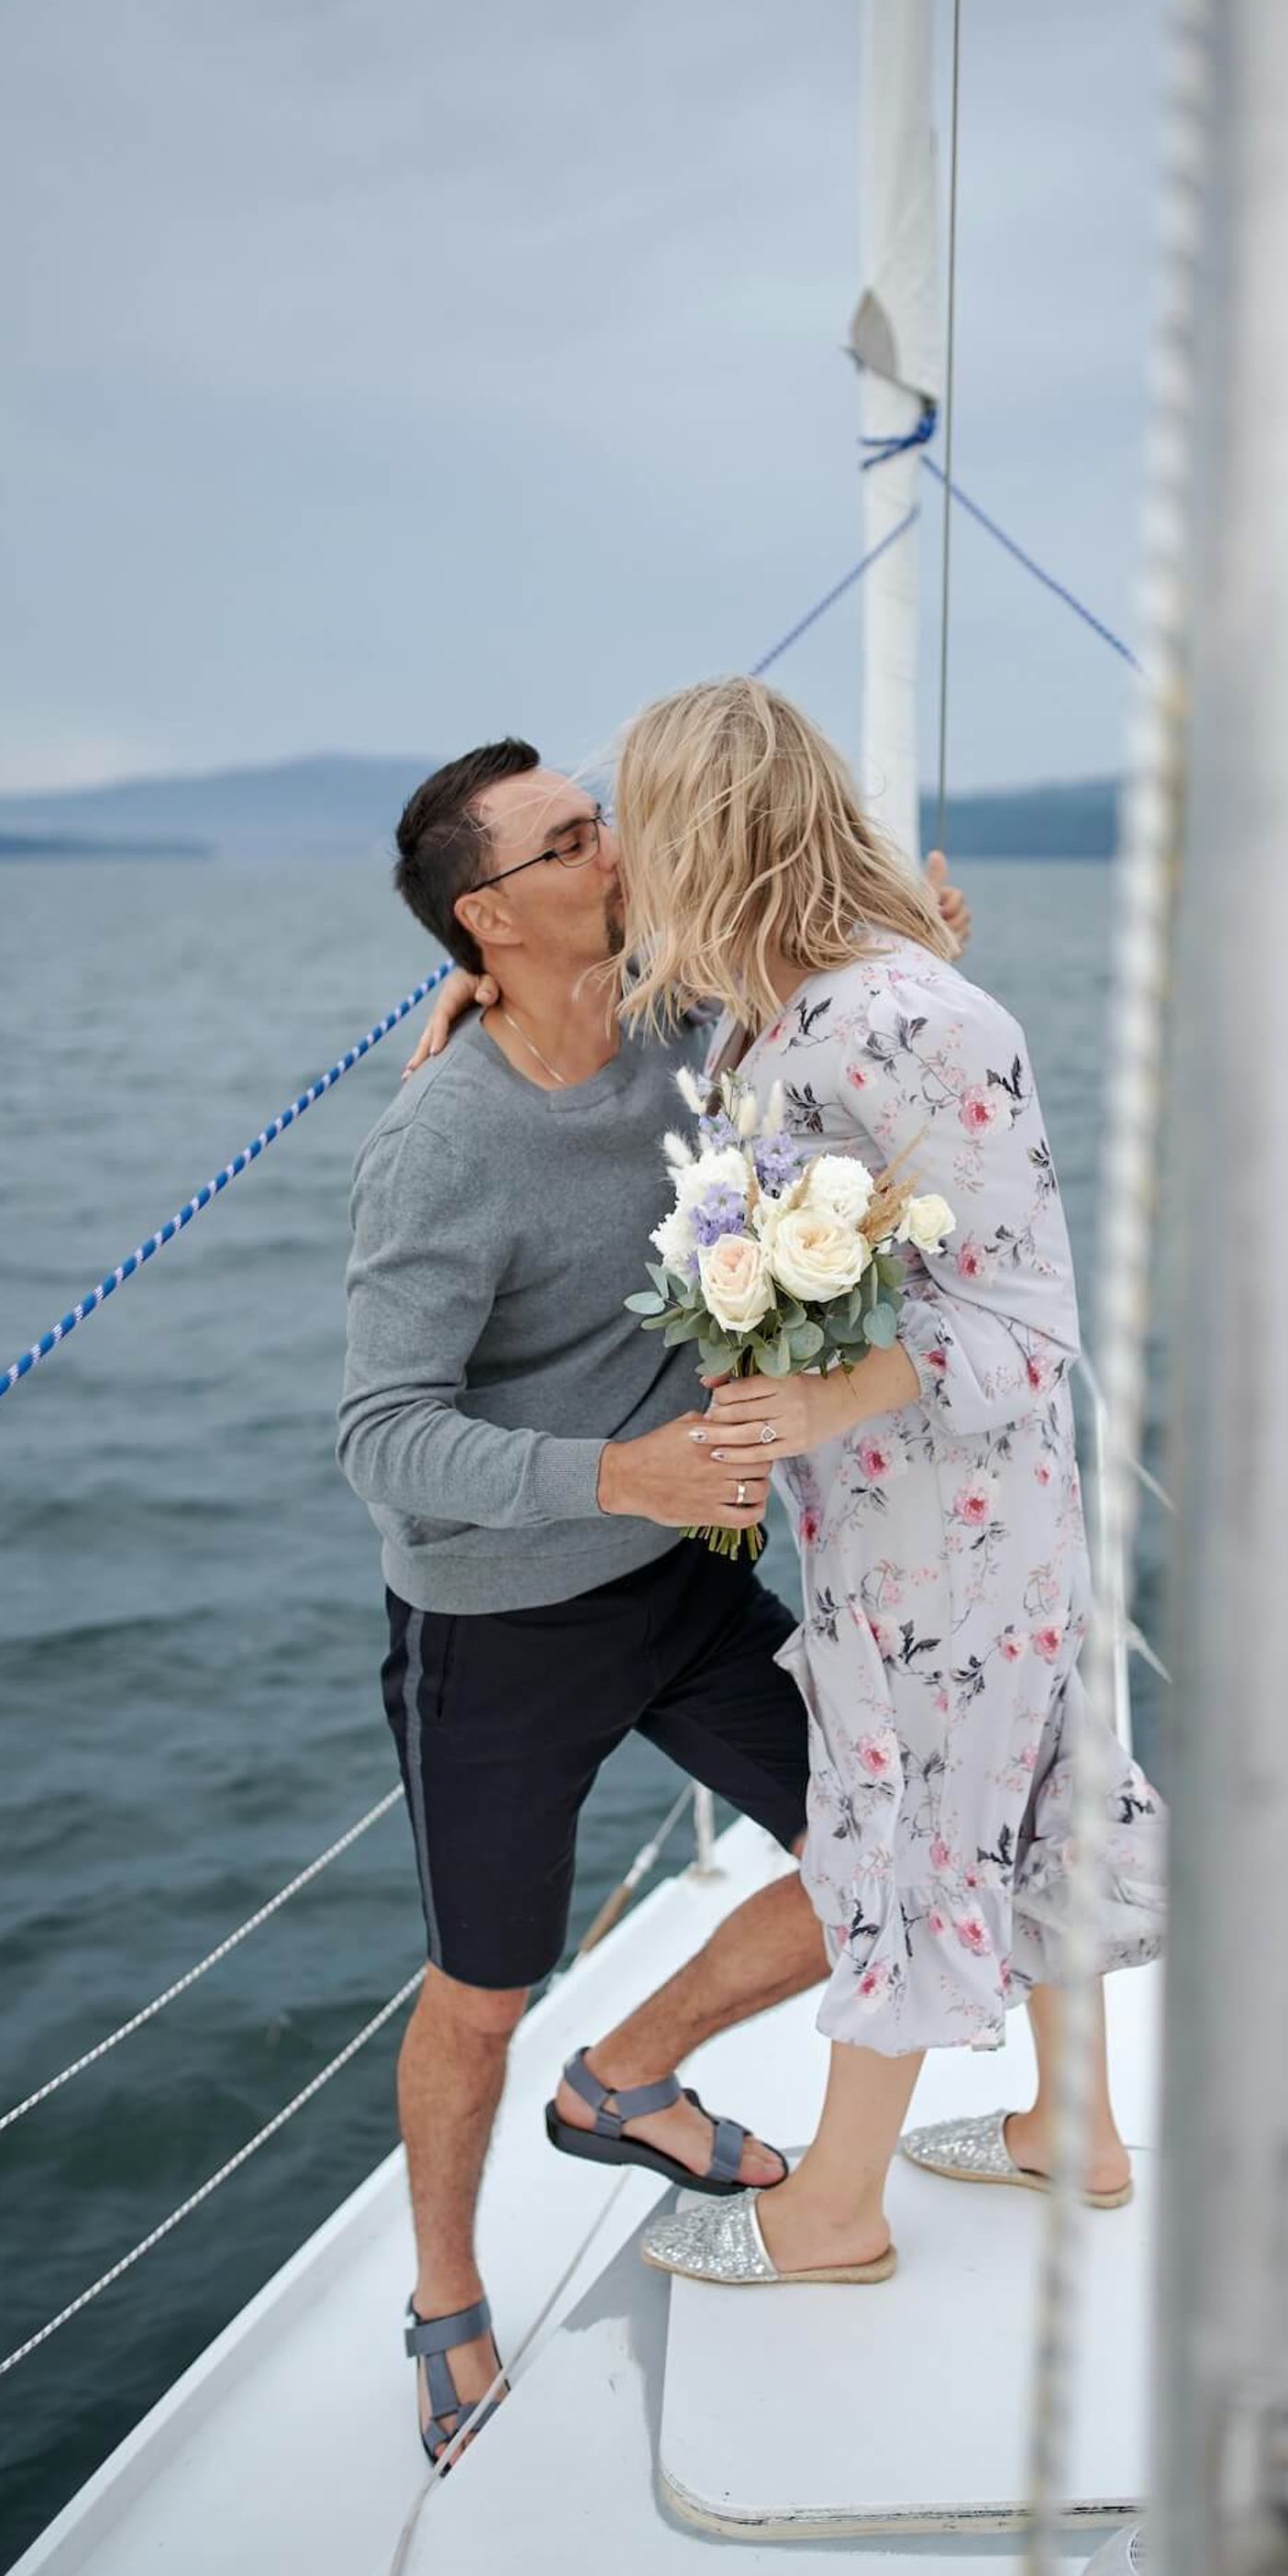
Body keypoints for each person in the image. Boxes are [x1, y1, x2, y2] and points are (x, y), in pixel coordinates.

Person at [339, 735, 971, 2458]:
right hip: (499, 1626)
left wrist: (922, 946)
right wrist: (618, 1475)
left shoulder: (681, 1015)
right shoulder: (442, 1143)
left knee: (884, 1858)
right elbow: (380, 1434)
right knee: (481, 1990)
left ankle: (620, 2078)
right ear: (489, 917)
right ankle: (445, 2292)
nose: (614, 847)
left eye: (601, 819)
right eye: (570, 840)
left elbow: (808, 1001)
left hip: (686, 1581)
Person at [605, 676, 1169, 2292]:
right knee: (1023, 1782)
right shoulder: (773, 1012)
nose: (626, 863)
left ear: (709, 833)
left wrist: (816, 1400)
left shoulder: (912, 1015)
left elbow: (1033, 1322)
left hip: (954, 1524)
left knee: (907, 1814)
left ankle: (835, 2210)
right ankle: (1076, 2128)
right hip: (885, 1508)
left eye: (640, 828)